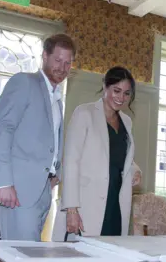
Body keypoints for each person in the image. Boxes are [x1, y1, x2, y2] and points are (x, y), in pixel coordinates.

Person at [0, 33, 76, 241]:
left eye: (68, 63)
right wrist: (3, 183)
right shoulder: (24, 82)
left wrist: (56, 172)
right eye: (57, 60)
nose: (62, 68)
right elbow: (2, 130)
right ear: (44, 56)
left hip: (44, 190)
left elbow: (50, 140)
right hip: (17, 191)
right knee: (20, 259)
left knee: (29, 261)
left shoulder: (56, 98)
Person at [53, 67, 142, 241]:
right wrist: (71, 209)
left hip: (116, 203)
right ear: (105, 86)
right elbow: (71, 162)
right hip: (86, 204)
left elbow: (120, 157)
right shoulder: (84, 113)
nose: (121, 98)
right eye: (116, 90)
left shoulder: (127, 121)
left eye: (126, 93)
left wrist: (135, 169)